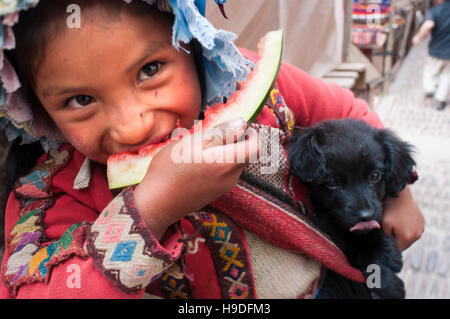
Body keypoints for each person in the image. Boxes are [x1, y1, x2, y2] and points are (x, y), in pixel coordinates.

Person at [0, 0, 423, 299]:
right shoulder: (50, 197)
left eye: (150, 70)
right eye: (80, 100)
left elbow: (347, 110)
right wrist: (148, 212)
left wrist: (398, 193)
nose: (135, 124)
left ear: (196, 46)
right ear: (36, 110)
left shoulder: (251, 79)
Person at [412, 0, 450, 110]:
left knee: (431, 70)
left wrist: (418, 37)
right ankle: (440, 99)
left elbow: (429, 24)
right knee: (446, 76)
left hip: (437, 49)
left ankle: (430, 88)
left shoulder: (436, 10)